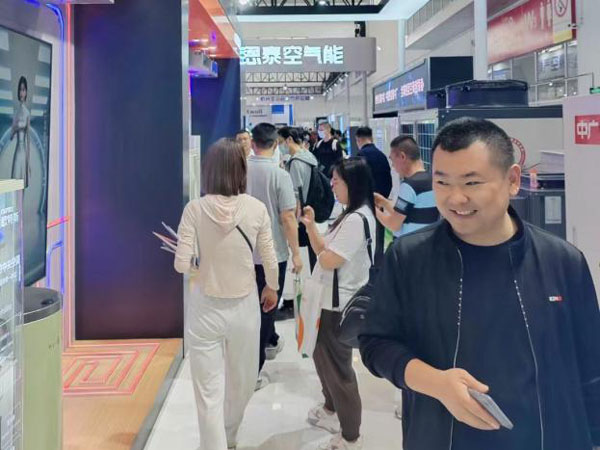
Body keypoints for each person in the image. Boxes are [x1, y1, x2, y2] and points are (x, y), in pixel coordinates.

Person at [359, 118, 600, 450]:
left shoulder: (562, 261)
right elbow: (376, 343)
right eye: (442, 182)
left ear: (512, 180)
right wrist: (436, 383)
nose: (455, 198)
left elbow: (591, 366)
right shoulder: (409, 258)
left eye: (471, 183)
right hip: (444, 438)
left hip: (550, 438)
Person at [174, 138, 279, 450]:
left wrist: (199, 263)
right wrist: (271, 287)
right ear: (242, 170)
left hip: (204, 307)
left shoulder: (194, 209)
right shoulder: (256, 209)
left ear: (208, 171)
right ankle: (229, 436)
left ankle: (215, 443)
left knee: (208, 393)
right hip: (244, 307)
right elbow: (270, 259)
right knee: (242, 383)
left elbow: (180, 264)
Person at [300, 157, 376, 450]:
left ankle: (350, 436)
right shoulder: (349, 214)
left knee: (339, 370)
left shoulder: (356, 219)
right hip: (328, 301)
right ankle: (331, 409)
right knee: (323, 359)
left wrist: (321, 249)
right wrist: (311, 227)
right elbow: (324, 250)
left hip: (338, 305)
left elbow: (330, 259)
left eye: (337, 181)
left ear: (352, 184)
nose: (332, 185)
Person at [247, 123, 303, 387]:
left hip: (243, 253)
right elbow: (288, 217)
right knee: (266, 309)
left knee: (249, 310)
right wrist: (296, 253)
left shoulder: (239, 171)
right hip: (274, 253)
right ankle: (252, 371)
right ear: (276, 144)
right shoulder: (280, 175)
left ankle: (268, 342)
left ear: (252, 143)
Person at [374, 136, 438, 238]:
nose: (393, 166)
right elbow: (404, 214)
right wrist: (384, 202)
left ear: (402, 156)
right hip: (428, 241)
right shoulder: (433, 180)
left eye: (393, 160)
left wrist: (373, 209)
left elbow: (394, 224)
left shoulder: (409, 186)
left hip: (410, 244)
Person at [278, 126, 319, 273]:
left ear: (289, 140)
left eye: (280, 142)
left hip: (301, 216)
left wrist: (293, 222)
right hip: (311, 210)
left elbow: (295, 195)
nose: (279, 146)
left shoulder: (295, 162)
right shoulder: (308, 156)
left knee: (302, 257)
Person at [355, 126, 392, 265]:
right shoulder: (382, 155)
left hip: (364, 203)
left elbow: (357, 181)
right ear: (371, 138)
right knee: (379, 233)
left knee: (365, 233)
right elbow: (388, 181)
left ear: (358, 140)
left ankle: (368, 264)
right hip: (379, 201)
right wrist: (381, 199)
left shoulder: (360, 156)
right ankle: (378, 263)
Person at [11, 76, 31, 188]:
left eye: (23, 90)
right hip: (17, 150)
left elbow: (28, 140)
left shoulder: (27, 113)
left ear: (26, 92)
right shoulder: (16, 113)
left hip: (24, 153)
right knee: (15, 183)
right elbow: (11, 136)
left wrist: (29, 162)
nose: (22, 92)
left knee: (22, 185)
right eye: (20, 90)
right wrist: (16, 128)